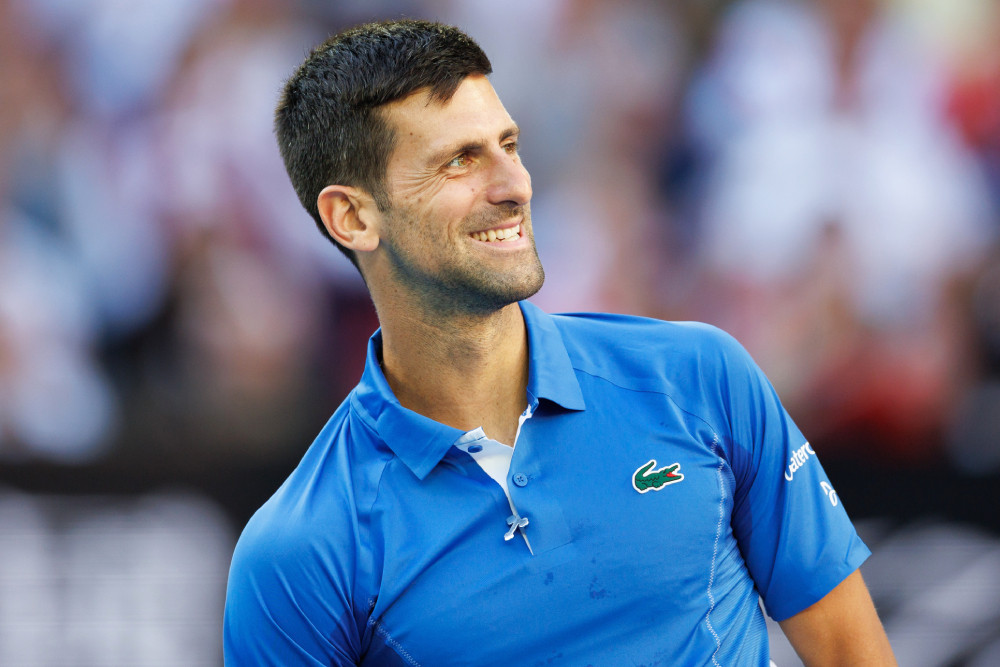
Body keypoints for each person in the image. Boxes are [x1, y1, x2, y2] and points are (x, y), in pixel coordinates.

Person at [223, 19, 896, 666]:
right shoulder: (299, 551)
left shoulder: (700, 377)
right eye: (460, 161)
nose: (514, 184)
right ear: (352, 216)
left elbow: (850, 652)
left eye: (508, 145)